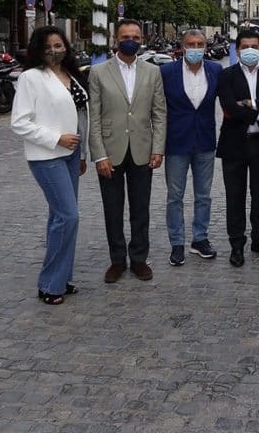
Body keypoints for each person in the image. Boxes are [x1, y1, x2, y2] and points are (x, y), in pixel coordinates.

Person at [10, 25, 88, 306]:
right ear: (38, 50)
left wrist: (81, 154)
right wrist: (56, 138)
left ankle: (62, 279)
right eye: (48, 47)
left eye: (58, 45)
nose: (54, 51)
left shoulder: (72, 75)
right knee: (69, 216)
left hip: (71, 153)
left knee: (60, 218)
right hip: (47, 155)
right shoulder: (31, 77)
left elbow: (80, 115)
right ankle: (48, 284)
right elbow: (19, 122)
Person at [88, 18, 168, 283]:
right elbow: (94, 117)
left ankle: (138, 259)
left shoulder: (152, 71)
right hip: (110, 151)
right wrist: (99, 154)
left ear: (141, 39)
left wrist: (158, 148)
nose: (130, 40)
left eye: (134, 36)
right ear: (115, 40)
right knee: (112, 208)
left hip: (142, 150)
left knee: (140, 208)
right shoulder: (98, 72)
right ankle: (117, 260)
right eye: (124, 37)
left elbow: (159, 113)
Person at [218, 28, 259, 267]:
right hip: (234, 144)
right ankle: (236, 245)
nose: (250, 50)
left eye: (254, 47)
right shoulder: (226, 75)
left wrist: (251, 104)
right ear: (237, 50)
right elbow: (229, 108)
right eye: (245, 47)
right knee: (234, 197)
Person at [158, 28, 222, 267]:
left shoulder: (216, 70)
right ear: (182, 46)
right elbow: (157, 107)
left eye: (200, 44)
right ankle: (177, 243)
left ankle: (200, 238)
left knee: (203, 195)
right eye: (191, 44)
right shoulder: (166, 72)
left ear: (205, 47)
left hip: (205, 140)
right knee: (175, 196)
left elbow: (228, 98)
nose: (195, 49)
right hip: (176, 141)